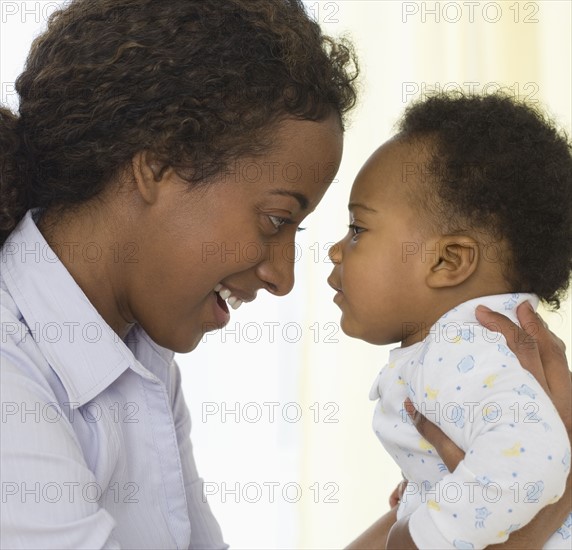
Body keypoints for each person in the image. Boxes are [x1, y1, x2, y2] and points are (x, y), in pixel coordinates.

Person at [0, 0, 569, 547]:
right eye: (276, 219)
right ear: (160, 165)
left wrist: (442, 499)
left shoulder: (138, 359)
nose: (284, 277)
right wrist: (548, 499)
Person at [328, 93, 572, 549]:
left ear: (448, 260)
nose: (336, 251)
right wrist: (428, 490)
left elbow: (535, 458)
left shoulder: (463, 346)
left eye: (358, 229)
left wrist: (422, 533)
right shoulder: (463, 348)